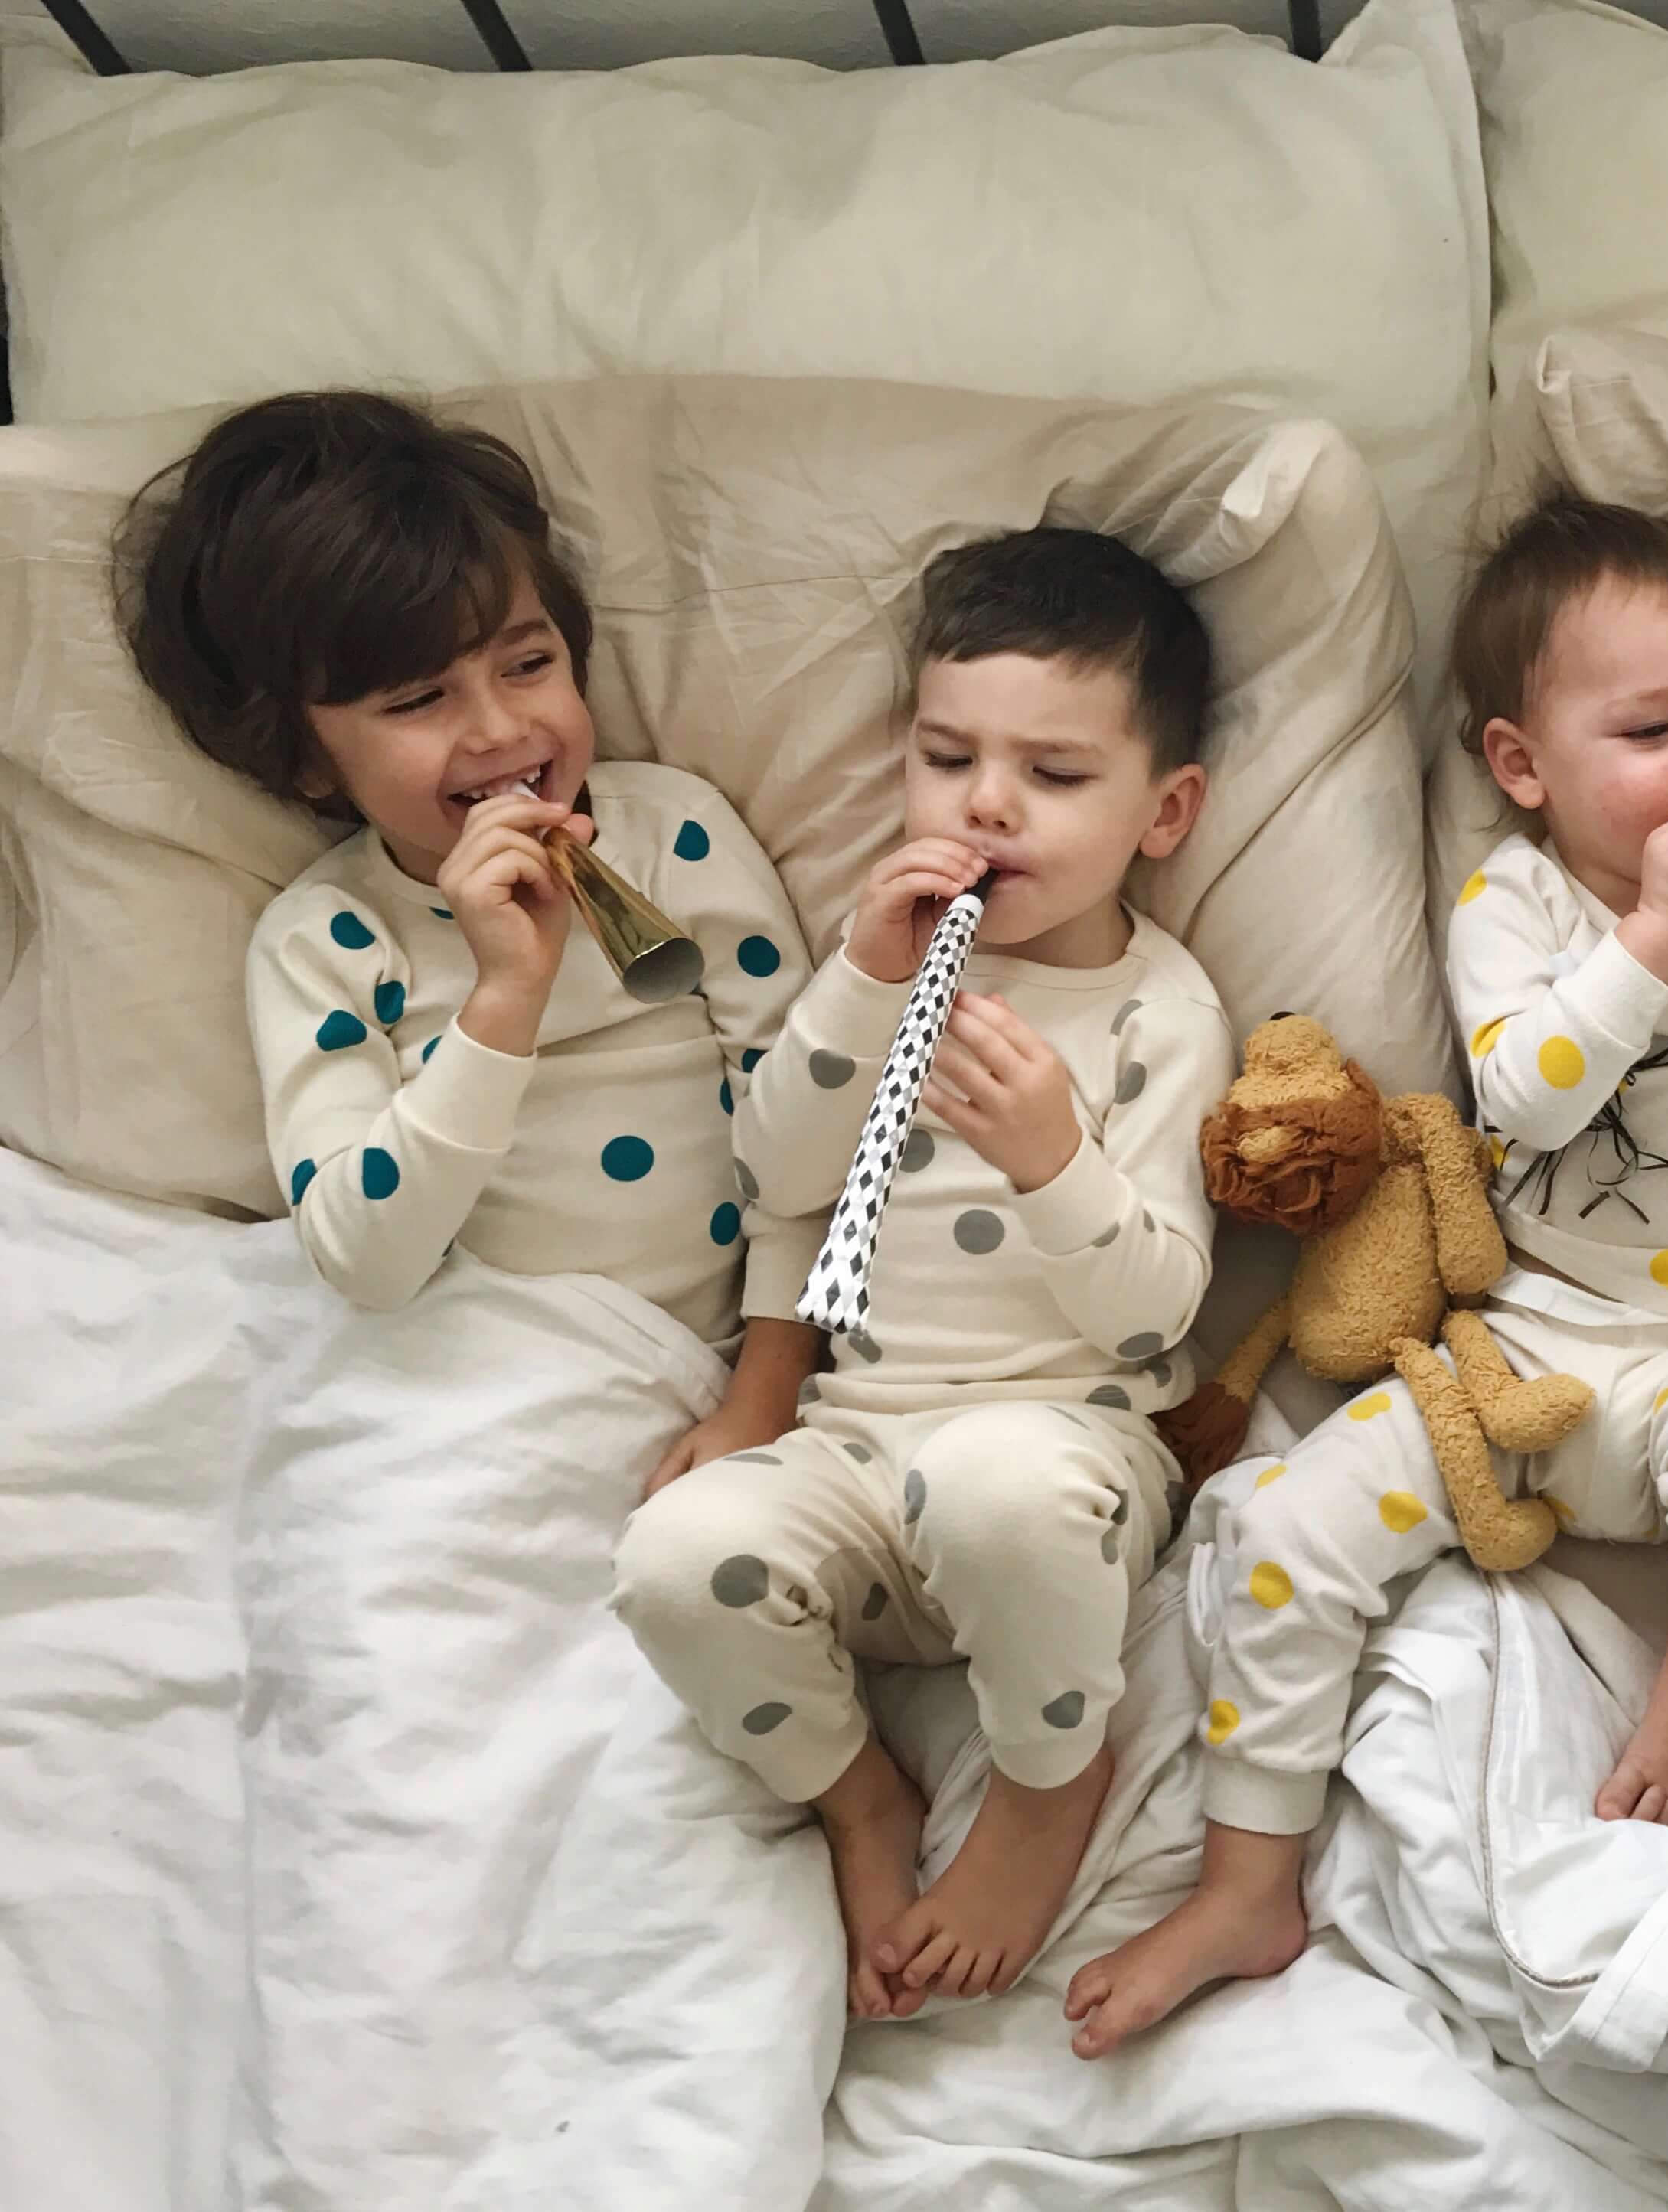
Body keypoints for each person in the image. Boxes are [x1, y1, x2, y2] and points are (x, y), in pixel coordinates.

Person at [1064, 492, 1668, 2057]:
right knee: (1284, 1529)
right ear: (1524, 767)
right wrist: (1653, 925)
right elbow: (1522, 1095)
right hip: (1509, 1354)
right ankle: (1245, 1874)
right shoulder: (1517, 901)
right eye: (1654, 726)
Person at [611, 527, 1234, 2021]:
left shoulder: (1159, 1008)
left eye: (1055, 774)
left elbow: (1155, 1308)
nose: (988, 803)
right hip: (857, 1447)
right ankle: (856, 1795)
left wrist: (1050, 1158)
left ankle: (1046, 1774)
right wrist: (863, 978)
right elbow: (773, 1172)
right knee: (673, 1559)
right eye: (946, 755)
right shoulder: (888, 968)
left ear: (1166, 811)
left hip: (1062, 1466)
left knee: (1000, 1486)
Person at [120, 390, 824, 1486]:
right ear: (304, 760)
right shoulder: (326, 940)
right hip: (466, 1373)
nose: (500, 729)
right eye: (418, 699)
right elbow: (365, 1261)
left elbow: (815, 1131)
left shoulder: (675, 835)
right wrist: (505, 996)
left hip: (724, 1374)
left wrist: (763, 1395)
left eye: (527, 663)